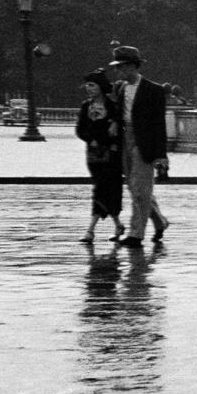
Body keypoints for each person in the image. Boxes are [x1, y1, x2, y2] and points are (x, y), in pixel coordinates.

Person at [107, 45, 169, 246]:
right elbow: (119, 111)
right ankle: (159, 222)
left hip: (145, 142)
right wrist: (116, 123)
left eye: (121, 67)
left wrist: (161, 155)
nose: (118, 71)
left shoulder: (154, 90)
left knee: (141, 189)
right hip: (126, 139)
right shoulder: (121, 88)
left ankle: (136, 234)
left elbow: (159, 125)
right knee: (135, 188)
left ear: (134, 66)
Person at [75, 70, 124, 244]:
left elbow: (118, 132)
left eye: (92, 85)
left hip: (111, 155)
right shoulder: (85, 106)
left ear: (101, 87)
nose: (88, 88)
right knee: (105, 190)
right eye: (87, 85)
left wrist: (102, 136)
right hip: (94, 155)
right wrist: (92, 138)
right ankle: (118, 224)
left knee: (101, 189)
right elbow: (79, 130)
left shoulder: (113, 107)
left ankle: (90, 230)